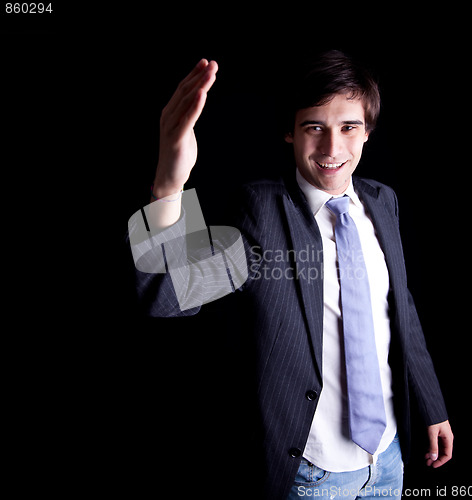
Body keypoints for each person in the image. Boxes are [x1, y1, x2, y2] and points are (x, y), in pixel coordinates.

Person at [128, 50, 453, 500]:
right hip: (311, 475)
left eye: (348, 127)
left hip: (389, 459)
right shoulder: (262, 212)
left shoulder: (383, 201)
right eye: (314, 127)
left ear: (368, 131)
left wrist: (433, 405)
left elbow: (400, 309)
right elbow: (167, 295)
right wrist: (169, 182)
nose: (332, 148)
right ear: (289, 132)